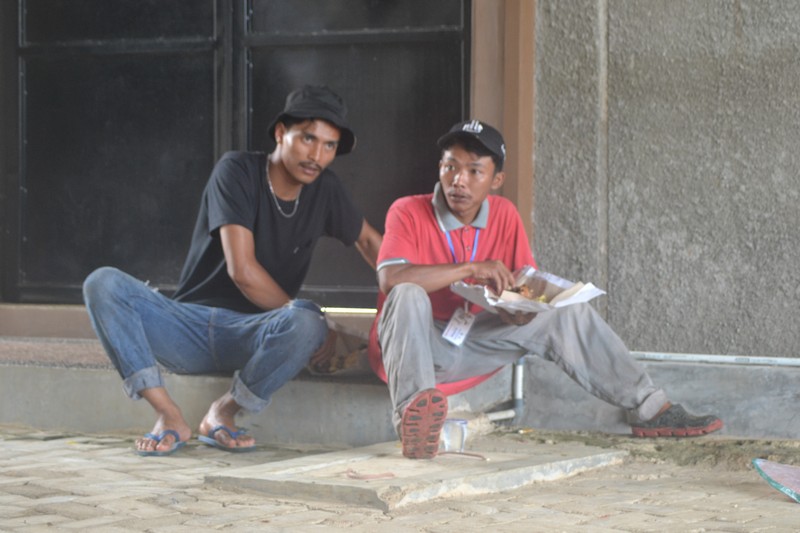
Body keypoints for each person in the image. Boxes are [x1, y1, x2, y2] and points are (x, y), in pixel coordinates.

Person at [369, 119, 722, 460]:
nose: (459, 180)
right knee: (407, 293)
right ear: (440, 168)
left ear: (496, 180)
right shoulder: (407, 210)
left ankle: (651, 408)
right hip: (419, 346)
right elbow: (391, 279)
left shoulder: (505, 214)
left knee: (567, 311)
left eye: (474, 171)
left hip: (477, 341)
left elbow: (523, 288)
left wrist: (519, 312)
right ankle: (415, 422)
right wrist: (471, 268)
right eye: (450, 167)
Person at [83, 85, 382, 456]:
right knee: (103, 283)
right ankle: (168, 414)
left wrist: (413, 293)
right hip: (189, 327)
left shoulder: (326, 190)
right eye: (308, 138)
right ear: (280, 133)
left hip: (254, 335)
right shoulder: (237, 170)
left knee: (307, 321)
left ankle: (223, 412)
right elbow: (243, 271)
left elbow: (371, 243)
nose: (317, 156)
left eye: (329, 145)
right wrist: (316, 324)